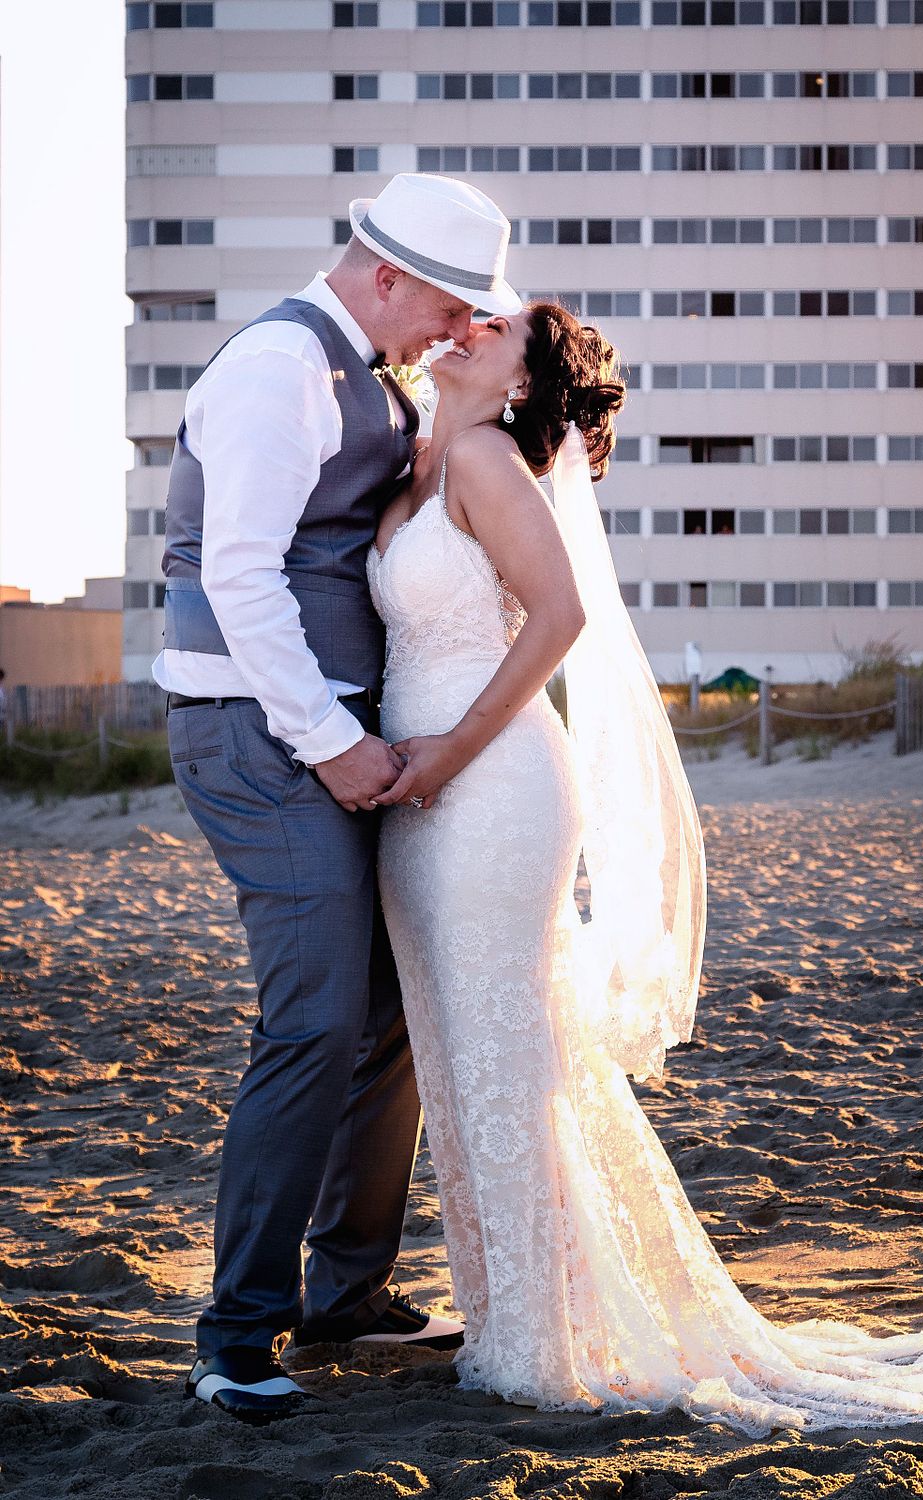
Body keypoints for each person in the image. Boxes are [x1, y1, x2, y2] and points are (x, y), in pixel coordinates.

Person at [365, 302, 923, 1433]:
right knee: (462, 1065)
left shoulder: (481, 457)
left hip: (489, 787)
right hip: (415, 805)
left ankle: (541, 1343)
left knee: (510, 1057)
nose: (471, 323)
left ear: (520, 385)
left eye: (499, 325)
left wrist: (451, 755)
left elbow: (556, 619)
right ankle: (510, 1313)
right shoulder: (415, 451)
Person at [156, 173, 523, 1423]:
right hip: (258, 739)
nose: (453, 330)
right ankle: (235, 1337)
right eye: (447, 305)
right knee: (313, 1023)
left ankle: (347, 1291)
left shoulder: (371, 370)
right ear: (386, 278)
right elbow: (241, 577)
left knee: (386, 1015)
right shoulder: (278, 370)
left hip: (328, 732)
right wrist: (327, 741)